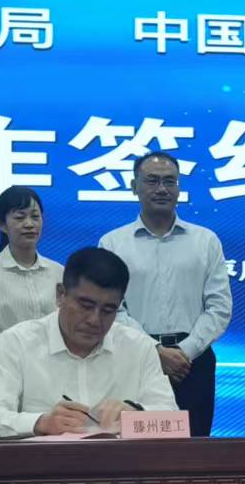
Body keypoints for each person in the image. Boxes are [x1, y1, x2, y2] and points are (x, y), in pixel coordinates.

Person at [0, 247, 177, 439]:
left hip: (121, 461)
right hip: (43, 461)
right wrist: (40, 423)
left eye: (108, 310)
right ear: (60, 294)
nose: (94, 320)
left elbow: (172, 418)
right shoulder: (15, 343)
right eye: (86, 306)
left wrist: (137, 413)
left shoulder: (139, 348)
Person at [99, 152, 231, 435]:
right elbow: (112, 309)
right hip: (134, 359)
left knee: (194, 447)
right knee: (135, 445)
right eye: (152, 181)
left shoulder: (205, 241)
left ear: (179, 188)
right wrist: (154, 351)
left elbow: (219, 307)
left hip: (193, 364)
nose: (162, 189)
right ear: (134, 187)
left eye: (170, 181)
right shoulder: (113, 243)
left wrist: (185, 352)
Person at [0, 185, 62, 342]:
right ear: (1, 224)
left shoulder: (58, 272)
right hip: (4, 356)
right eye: (20, 218)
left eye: (35, 217)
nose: (29, 224)